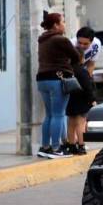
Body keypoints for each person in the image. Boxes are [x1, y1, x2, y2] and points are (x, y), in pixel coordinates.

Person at [36, 12, 80, 158]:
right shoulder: (61, 39)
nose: (65, 24)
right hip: (57, 79)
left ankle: (45, 146)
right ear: (56, 25)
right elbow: (76, 57)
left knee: (49, 115)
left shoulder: (42, 40)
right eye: (63, 21)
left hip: (42, 80)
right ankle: (57, 149)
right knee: (58, 115)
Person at [65, 51, 94, 155]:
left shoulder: (67, 70)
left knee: (71, 124)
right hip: (81, 100)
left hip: (69, 100)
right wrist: (92, 100)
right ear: (82, 59)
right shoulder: (82, 71)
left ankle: (71, 146)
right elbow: (88, 87)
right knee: (80, 124)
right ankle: (81, 146)